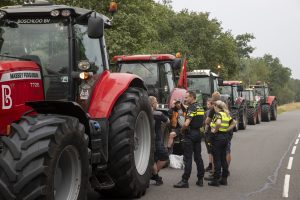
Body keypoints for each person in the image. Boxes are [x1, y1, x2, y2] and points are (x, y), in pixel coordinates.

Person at [173, 91, 205, 188]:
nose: (185, 100)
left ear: (192, 97)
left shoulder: (192, 108)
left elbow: (186, 124)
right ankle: (200, 179)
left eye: (186, 98)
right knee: (198, 157)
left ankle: (185, 180)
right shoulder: (200, 107)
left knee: (187, 158)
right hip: (198, 133)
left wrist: (182, 130)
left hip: (190, 134)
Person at [207, 100, 236, 186]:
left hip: (217, 138)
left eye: (214, 107)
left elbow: (218, 123)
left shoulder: (218, 114)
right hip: (225, 138)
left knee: (217, 159)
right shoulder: (226, 114)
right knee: (223, 159)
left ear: (216, 107)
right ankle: (224, 179)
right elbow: (234, 122)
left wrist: (215, 131)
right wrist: (227, 129)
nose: (214, 108)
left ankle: (216, 180)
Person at [149, 96, 169, 185]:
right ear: (153, 104)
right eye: (156, 102)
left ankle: (155, 175)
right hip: (157, 140)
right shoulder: (158, 114)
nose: (157, 103)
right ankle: (154, 175)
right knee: (164, 157)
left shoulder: (144, 114)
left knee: (152, 159)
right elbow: (168, 121)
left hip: (148, 140)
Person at [204, 98, 214, 173]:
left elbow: (207, 122)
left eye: (208, 104)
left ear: (212, 104)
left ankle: (213, 166)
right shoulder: (206, 112)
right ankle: (210, 164)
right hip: (207, 132)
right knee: (209, 150)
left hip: (211, 133)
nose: (207, 105)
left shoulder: (213, 112)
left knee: (212, 150)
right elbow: (204, 122)